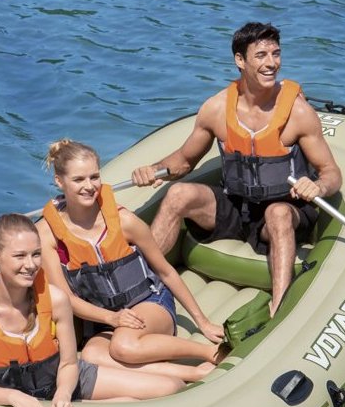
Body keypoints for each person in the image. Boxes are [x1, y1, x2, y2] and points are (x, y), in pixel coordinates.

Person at [131, 21, 343, 315]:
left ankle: (280, 307)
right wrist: (153, 170)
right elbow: (184, 161)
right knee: (178, 194)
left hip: (284, 209)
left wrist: (317, 186)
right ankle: (136, 285)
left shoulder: (298, 113)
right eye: (261, 55)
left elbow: (332, 173)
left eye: (276, 54)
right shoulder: (216, 109)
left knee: (277, 213)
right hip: (236, 206)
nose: (272, 63)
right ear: (240, 60)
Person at [0, 213, 183, 407]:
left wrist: (63, 394)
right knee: (127, 403)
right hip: (16, 390)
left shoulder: (55, 300)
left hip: (60, 380)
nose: (31, 265)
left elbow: (69, 364)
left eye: (36, 254)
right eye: (20, 256)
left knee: (170, 387)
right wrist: (13, 397)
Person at [37, 139, 227, 382]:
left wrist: (203, 322)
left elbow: (166, 271)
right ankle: (193, 373)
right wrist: (111, 318)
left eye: (94, 177)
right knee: (91, 356)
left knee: (122, 346)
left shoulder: (124, 221)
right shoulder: (47, 235)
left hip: (149, 301)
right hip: (105, 319)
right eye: (78, 180)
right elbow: (67, 299)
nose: (89, 186)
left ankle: (210, 352)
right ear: (59, 181)